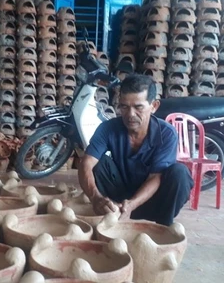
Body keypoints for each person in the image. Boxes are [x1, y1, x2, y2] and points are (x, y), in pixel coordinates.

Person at [78, 74, 194, 226]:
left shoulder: (166, 133)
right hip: (118, 202)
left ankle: (162, 226)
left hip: (152, 201)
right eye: (124, 107)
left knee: (180, 173)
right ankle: (112, 216)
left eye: (138, 107)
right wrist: (95, 197)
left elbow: (155, 177)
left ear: (154, 106)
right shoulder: (108, 128)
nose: (130, 114)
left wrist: (132, 204)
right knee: (99, 163)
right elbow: (86, 164)